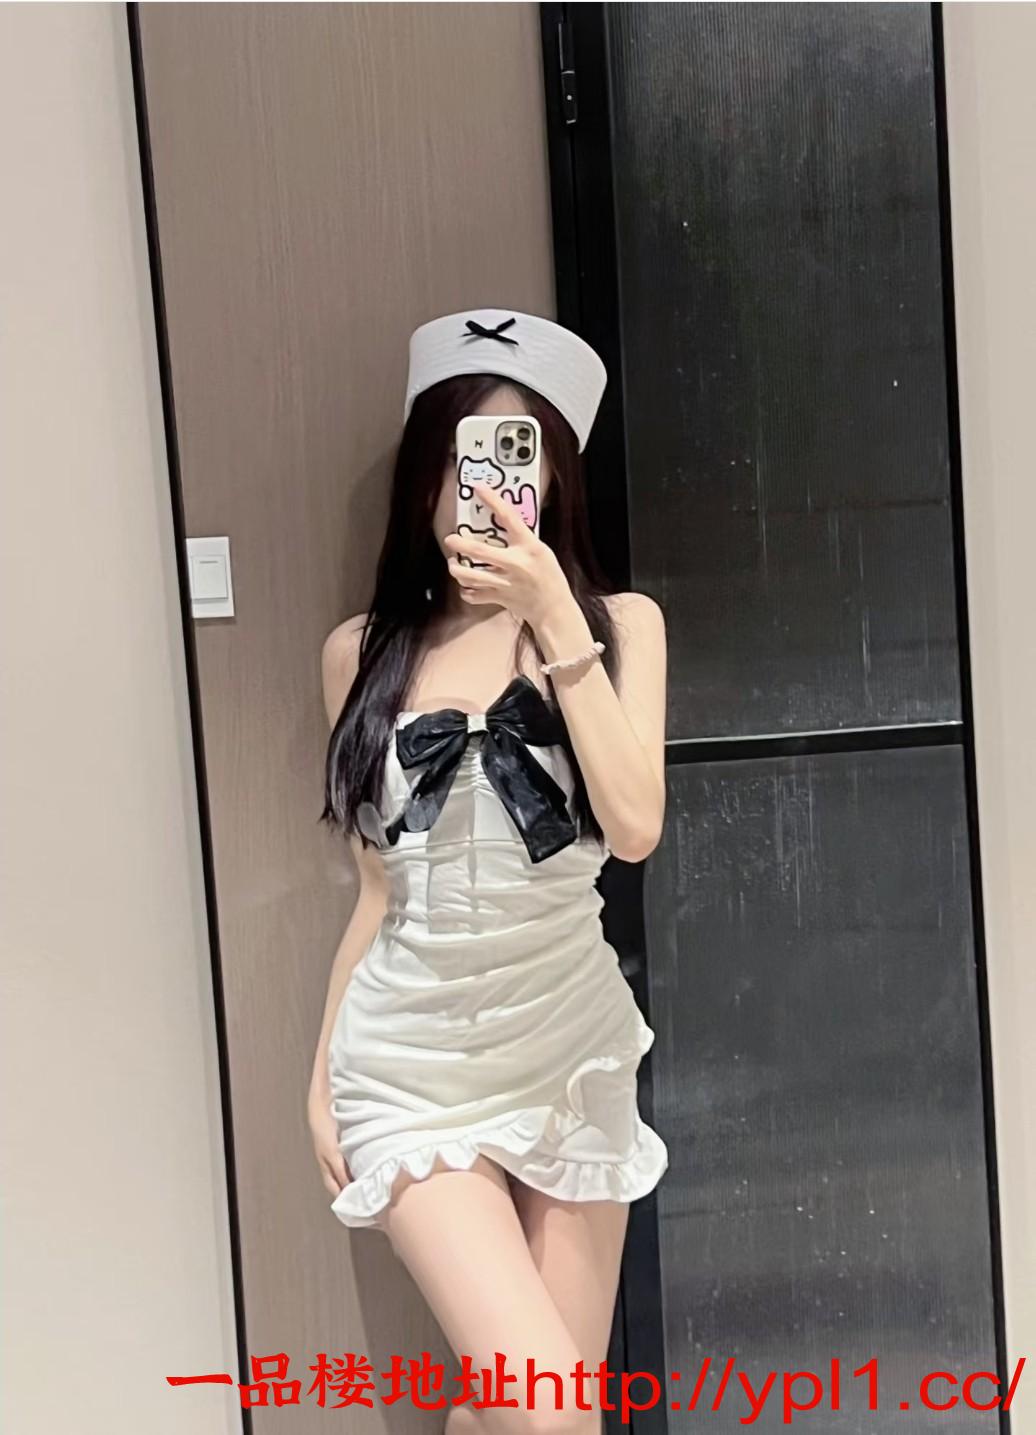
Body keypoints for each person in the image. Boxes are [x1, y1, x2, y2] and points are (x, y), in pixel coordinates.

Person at [309, 308, 669, 1435]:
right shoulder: (361, 652)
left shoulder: (622, 627)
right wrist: (321, 1076)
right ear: (426, 476)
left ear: (553, 479)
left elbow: (634, 827)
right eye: (465, 459)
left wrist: (555, 618)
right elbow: (378, 889)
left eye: (516, 458)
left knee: (526, 1418)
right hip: (413, 1067)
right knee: (550, 1417)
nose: (486, 490)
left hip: (569, 1051)